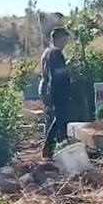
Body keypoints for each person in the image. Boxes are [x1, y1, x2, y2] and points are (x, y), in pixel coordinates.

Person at [40, 27, 71, 158]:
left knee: (58, 119)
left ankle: (60, 145)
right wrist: (69, 67)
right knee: (60, 119)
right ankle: (49, 147)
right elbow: (57, 73)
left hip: (51, 89)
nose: (66, 41)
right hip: (57, 90)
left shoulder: (48, 52)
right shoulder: (56, 53)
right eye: (64, 38)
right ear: (58, 38)